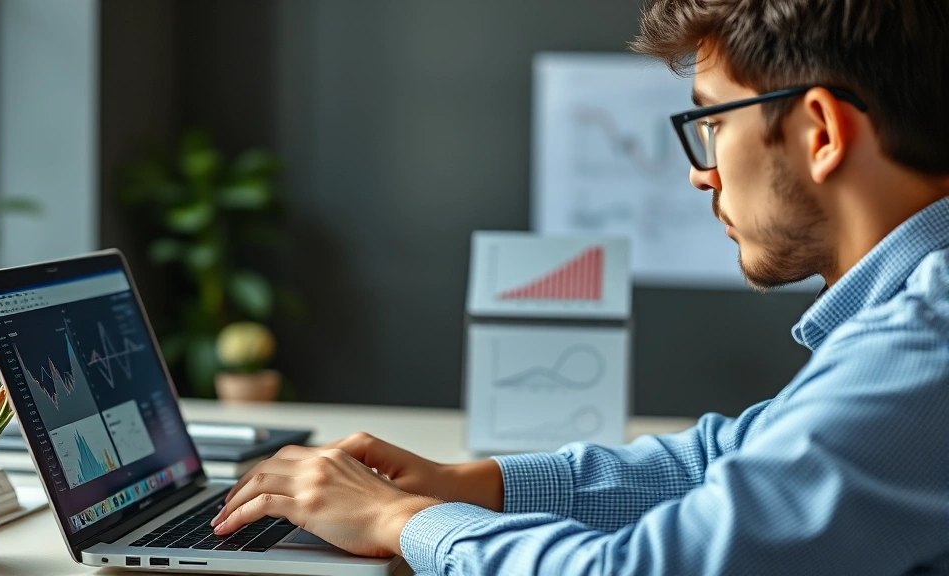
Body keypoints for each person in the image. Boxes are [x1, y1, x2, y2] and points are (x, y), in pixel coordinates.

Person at [209, 1, 949, 573]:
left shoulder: (924, 347)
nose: (702, 171)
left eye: (713, 121)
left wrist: (397, 521)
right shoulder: (908, 316)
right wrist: (467, 484)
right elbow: (718, 462)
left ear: (819, 132)